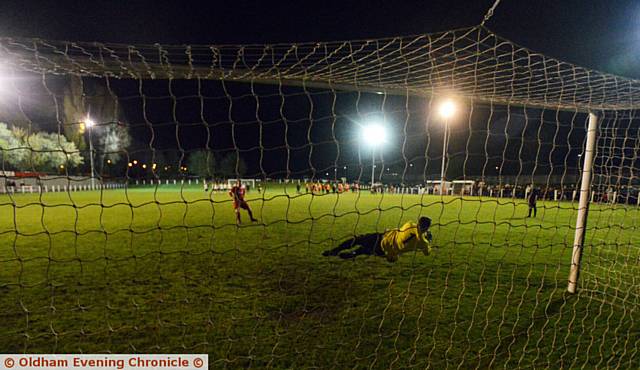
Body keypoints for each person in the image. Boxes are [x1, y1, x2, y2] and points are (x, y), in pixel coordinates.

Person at [323, 217, 433, 262]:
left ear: (418, 222)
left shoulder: (410, 224)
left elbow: (406, 230)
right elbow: (427, 252)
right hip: (386, 252)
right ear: (427, 228)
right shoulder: (422, 243)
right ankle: (353, 253)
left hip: (382, 238)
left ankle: (335, 250)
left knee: (357, 240)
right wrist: (427, 240)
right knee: (363, 250)